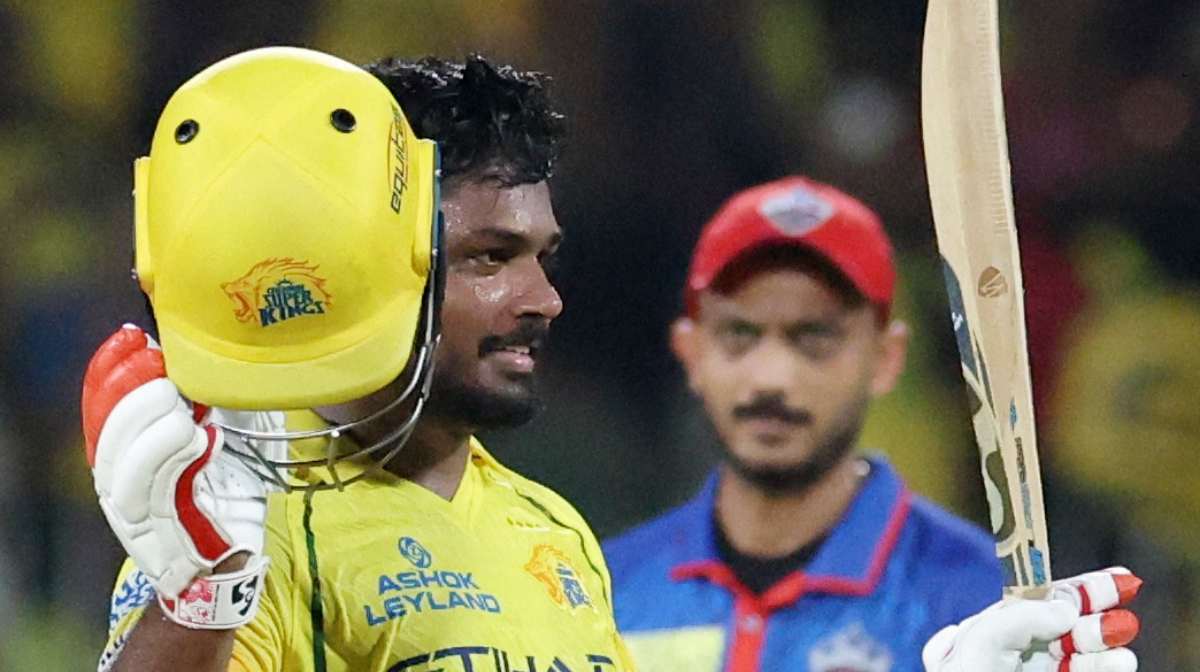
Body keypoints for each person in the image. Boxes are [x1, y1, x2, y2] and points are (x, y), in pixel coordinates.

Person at [83, 48, 1141, 672]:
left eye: (544, 257)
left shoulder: (553, 534)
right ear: (372, 262)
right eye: (492, 259)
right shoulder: (245, 520)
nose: (544, 300)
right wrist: (198, 598)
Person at [602, 176, 1141, 672]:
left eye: (815, 338)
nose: (772, 377)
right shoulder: (601, 586)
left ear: (886, 357)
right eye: (739, 335)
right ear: (690, 352)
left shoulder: (984, 600)